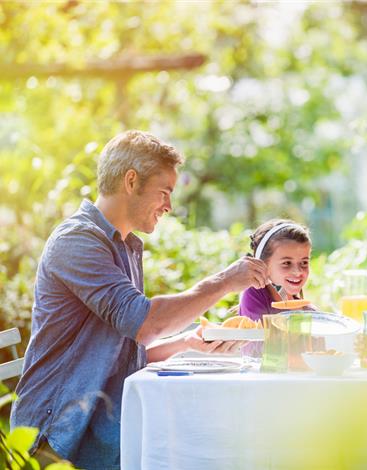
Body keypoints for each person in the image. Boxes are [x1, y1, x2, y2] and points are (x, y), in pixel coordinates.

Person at [10, 130, 268, 470]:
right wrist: (225, 280)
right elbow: (146, 323)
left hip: (102, 425)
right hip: (58, 438)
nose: (169, 206)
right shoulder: (77, 242)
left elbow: (124, 349)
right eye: (164, 192)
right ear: (131, 181)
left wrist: (189, 343)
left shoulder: (125, 246)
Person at [239, 219, 315, 322]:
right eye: (287, 263)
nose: (298, 272)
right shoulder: (254, 294)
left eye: (304, 263)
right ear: (262, 265)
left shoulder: (309, 311)